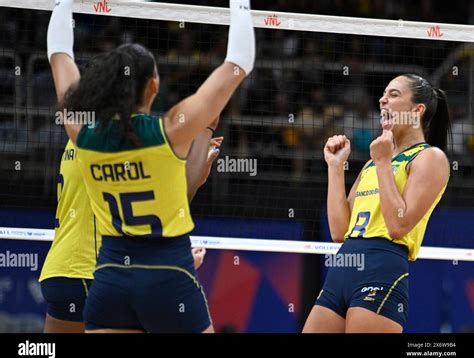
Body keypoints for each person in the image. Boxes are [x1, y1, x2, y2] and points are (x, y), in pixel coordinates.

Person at [46, 0, 254, 333]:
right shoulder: (169, 132)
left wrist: (62, 3)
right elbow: (239, 62)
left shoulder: (82, 134)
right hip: (168, 275)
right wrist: (240, 5)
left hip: (110, 280)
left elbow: (59, 56)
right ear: (154, 85)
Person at [303, 74, 451, 333]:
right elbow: (339, 231)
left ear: (417, 110)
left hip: (382, 267)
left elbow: (398, 225)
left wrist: (384, 162)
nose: (382, 100)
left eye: (393, 95)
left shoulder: (430, 157)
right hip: (343, 266)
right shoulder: (373, 162)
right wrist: (336, 168)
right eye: (383, 94)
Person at [39, 133, 223, 333]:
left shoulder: (79, 136)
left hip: (61, 272)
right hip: (92, 271)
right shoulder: (109, 139)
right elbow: (155, 211)